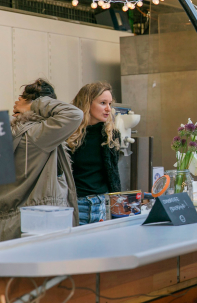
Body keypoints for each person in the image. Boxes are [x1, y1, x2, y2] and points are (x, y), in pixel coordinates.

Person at [0, 79, 83, 241]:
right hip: (38, 223)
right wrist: (33, 104)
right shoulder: (38, 135)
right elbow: (74, 114)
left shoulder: (8, 131)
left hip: (9, 223)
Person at [67, 82, 121, 225]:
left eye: (110, 103)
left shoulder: (111, 135)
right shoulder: (70, 135)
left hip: (103, 205)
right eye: (103, 103)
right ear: (87, 103)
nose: (108, 109)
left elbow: (113, 175)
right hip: (75, 205)